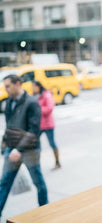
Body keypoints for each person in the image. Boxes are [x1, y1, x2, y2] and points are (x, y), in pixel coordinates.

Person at [0, 75, 48, 218]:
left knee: (38, 182)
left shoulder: (32, 102)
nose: (6, 89)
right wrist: (4, 143)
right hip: (12, 148)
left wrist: (19, 149)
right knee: (4, 182)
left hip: (29, 150)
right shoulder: (9, 102)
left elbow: (34, 130)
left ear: (18, 84)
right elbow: (9, 125)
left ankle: (45, 211)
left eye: (8, 86)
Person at [32, 80, 61, 169]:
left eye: (34, 87)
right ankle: (37, 164)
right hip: (39, 125)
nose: (32, 88)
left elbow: (49, 108)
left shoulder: (46, 95)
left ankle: (57, 162)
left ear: (38, 87)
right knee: (36, 144)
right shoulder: (34, 96)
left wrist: (38, 109)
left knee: (52, 143)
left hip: (48, 124)